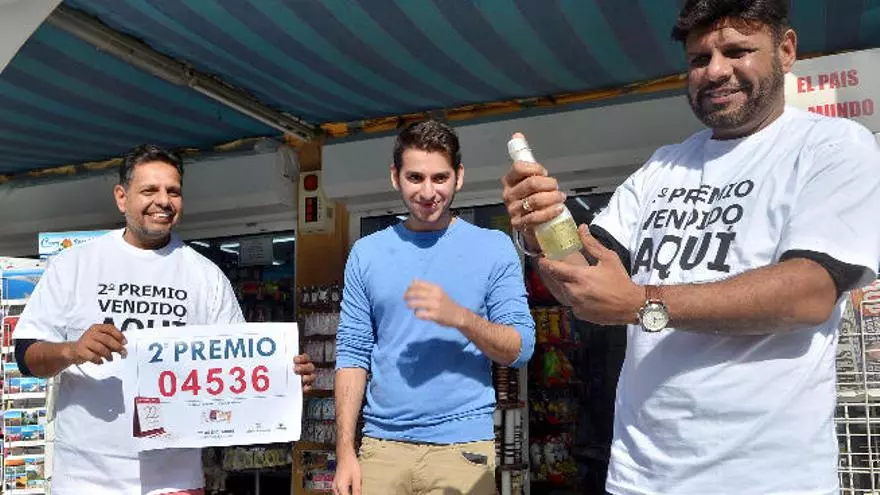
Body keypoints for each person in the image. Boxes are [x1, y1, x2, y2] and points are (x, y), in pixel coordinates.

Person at [501, 1, 880, 494]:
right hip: (639, 478)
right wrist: (542, 228)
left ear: (786, 50)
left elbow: (808, 293)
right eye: (700, 59)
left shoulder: (832, 146)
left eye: (737, 51)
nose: (715, 71)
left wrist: (643, 304)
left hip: (766, 481)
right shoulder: (664, 166)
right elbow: (588, 277)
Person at [12, 144, 316, 495]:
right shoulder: (75, 265)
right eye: (149, 190)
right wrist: (72, 351)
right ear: (121, 197)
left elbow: (239, 368)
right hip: (86, 476)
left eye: (173, 191)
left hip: (174, 479)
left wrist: (282, 379)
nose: (163, 201)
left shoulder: (206, 276)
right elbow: (26, 357)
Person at [333, 120, 535, 495]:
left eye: (440, 178)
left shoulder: (493, 248)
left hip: (462, 450)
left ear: (459, 177)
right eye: (415, 177)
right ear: (395, 177)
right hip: (381, 448)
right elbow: (352, 355)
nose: (428, 192)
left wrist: (461, 318)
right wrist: (345, 450)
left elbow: (520, 348)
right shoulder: (366, 253)